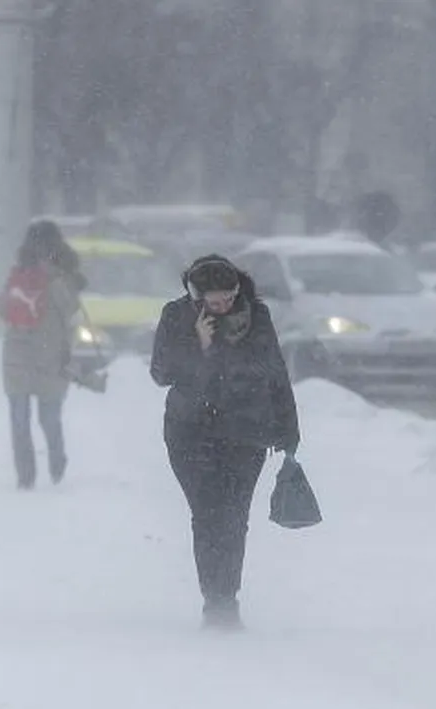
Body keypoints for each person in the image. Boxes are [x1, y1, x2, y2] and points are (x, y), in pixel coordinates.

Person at [150, 254, 300, 630]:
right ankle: (213, 599)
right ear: (195, 296)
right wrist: (198, 344)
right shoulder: (176, 316)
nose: (222, 307)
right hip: (190, 432)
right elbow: (161, 372)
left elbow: (275, 371)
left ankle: (226, 598)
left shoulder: (257, 316)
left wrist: (288, 428)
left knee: (234, 517)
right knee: (206, 515)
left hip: (246, 431)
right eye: (213, 301)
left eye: (228, 298)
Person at [0, 220, 80, 489]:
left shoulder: (59, 279)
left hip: (44, 358)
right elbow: (0, 308)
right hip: (26, 356)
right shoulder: (22, 276)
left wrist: (52, 280)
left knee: (40, 419)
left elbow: (70, 309)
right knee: (29, 419)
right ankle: (29, 474)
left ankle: (51, 463)